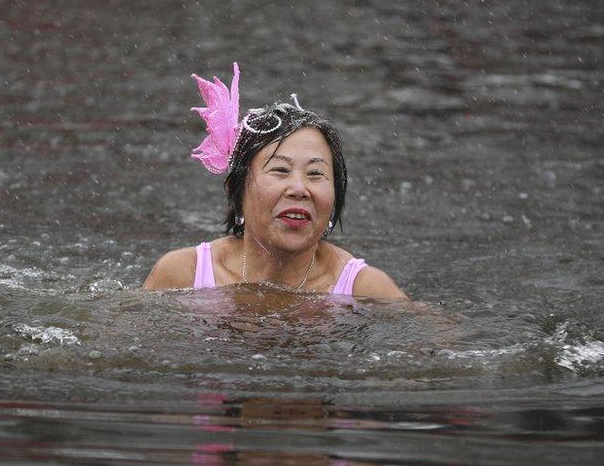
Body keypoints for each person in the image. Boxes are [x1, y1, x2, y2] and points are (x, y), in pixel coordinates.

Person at [143, 63, 408, 299]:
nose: (299, 189)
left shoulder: (365, 291)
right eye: (281, 170)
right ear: (237, 193)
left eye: (315, 174)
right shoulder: (183, 276)